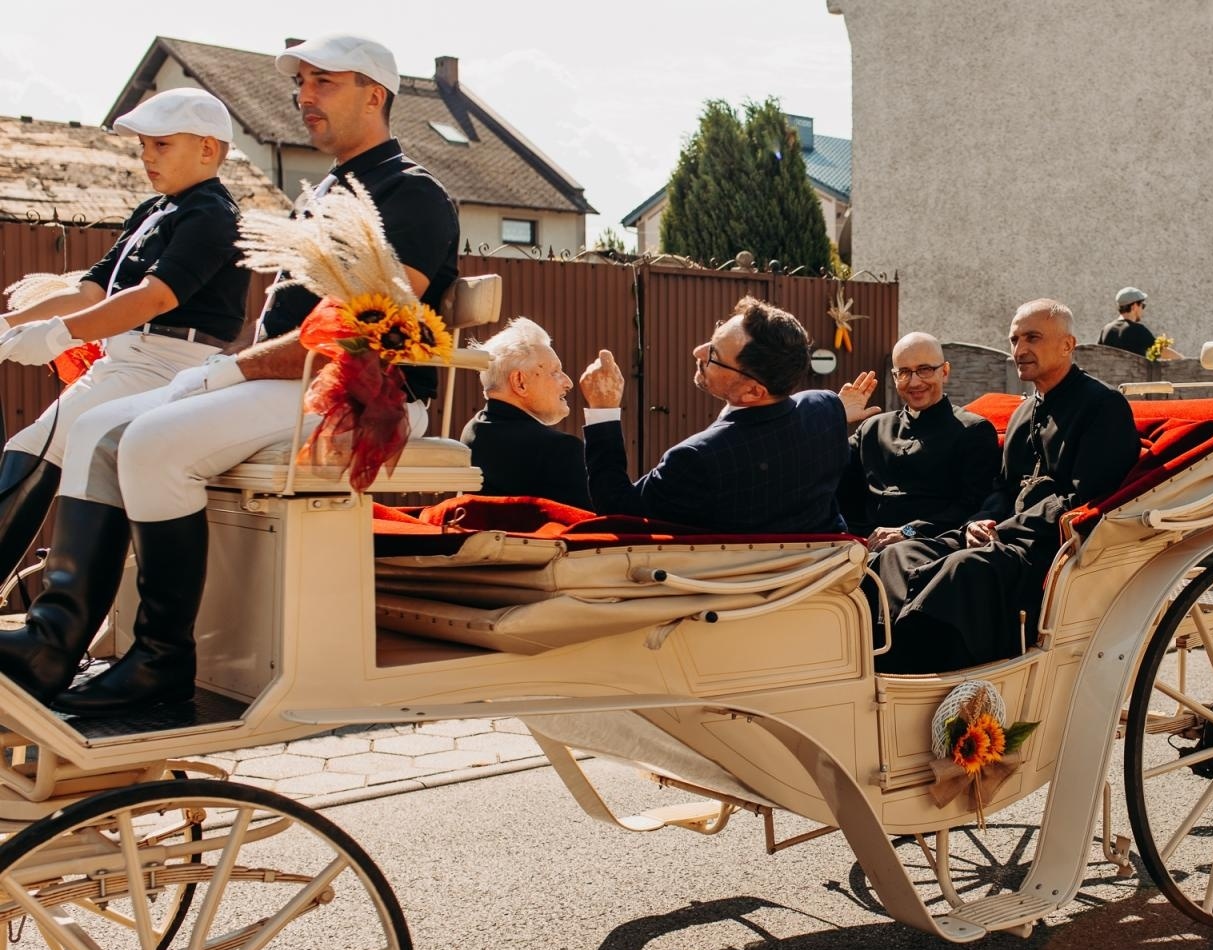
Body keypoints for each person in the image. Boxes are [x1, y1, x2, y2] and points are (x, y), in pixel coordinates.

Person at [0, 34, 459, 715]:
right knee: (98, 427)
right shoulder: (331, 191)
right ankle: (51, 642)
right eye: (300, 82)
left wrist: (225, 372)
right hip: (286, 381)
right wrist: (232, 372)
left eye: (323, 81)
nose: (304, 95)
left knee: (154, 443)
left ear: (375, 94)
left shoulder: (412, 194)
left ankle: (162, 660)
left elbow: (360, 330)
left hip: (361, 394)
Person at [0, 88, 249, 584]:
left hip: (167, 362)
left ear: (207, 148)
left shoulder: (213, 216)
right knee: (36, 448)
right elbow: (92, 291)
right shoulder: (154, 210)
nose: (146, 157)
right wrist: (10, 324)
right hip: (127, 358)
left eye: (161, 145)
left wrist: (54, 338)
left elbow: (153, 299)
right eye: (144, 146)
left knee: (39, 445)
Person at [871, 299, 1140, 673]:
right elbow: (1003, 488)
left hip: (1047, 548)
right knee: (899, 555)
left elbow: (1086, 498)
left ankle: (928, 673)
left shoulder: (1103, 406)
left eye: (1032, 337)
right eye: (1014, 339)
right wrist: (982, 520)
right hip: (1002, 537)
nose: (1019, 349)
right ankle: (893, 661)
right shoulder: (1024, 411)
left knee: (964, 569)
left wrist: (1004, 528)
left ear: (1067, 345)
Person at [578, 295, 879, 533]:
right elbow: (819, 411)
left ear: (753, 392)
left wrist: (603, 410)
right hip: (820, 590)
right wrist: (839, 409)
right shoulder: (825, 409)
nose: (698, 351)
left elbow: (617, 511)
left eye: (714, 356)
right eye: (714, 336)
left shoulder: (696, 459)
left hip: (731, 602)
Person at [838, 331, 1000, 549]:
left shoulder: (973, 430)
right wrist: (836, 416)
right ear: (894, 378)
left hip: (927, 550)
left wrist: (908, 532)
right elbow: (826, 476)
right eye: (904, 372)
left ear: (945, 371)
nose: (914, 382)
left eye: (924, 370)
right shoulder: (872, 429)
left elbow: (972, 507)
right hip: (860, 549)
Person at [459, 317, 590, 506]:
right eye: (555, 372)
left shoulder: (472, 431)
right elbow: (607, 524)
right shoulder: (561, 451)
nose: (568, 382)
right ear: (520, 382)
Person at [1098, 286, 1158, 357]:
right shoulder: (1139, 330)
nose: (1142, 310)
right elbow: (1163, 352)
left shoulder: (1106, 330)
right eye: (1142, 305)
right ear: (1134, 306)